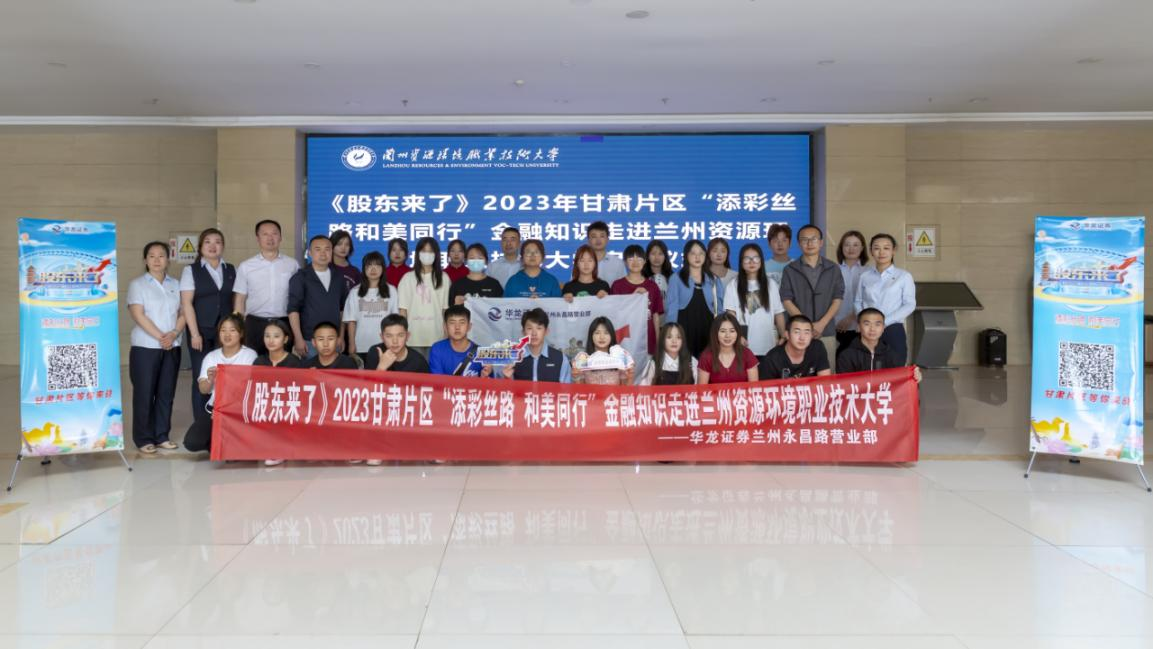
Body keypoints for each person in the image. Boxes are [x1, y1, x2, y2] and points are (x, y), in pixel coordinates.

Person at [127, 241, 185, 454]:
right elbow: (138, 314)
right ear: (145, 260)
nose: (157, 260)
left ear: (168, 259)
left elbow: (183, 312)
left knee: (166, 394)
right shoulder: (137, 285)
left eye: (161, 255)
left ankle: (162, 435)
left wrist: (174, 334)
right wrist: (162, 337)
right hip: (145, 347)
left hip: (172, 346)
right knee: (144, 394)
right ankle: (143, 438)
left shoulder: (176, 284)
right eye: (152, 256)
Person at [180, 228, 236, 420]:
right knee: (203, 375)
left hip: (226, 333)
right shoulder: (191, 270)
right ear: (200, 247)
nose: (213, 246)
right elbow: (187, 303)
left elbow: (236, 300)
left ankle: (221, 419)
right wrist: (195, 334)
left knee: (226, 374)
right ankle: (201, 423)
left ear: (223, 246)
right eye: (208, 242)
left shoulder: (231, 269)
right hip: (201, 332)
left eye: (217, 242)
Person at [183, 314, 257, 453]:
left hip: (240, 411)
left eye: (232, 330)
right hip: (216, 410)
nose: (227, 334)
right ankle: (221, 444)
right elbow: (203, 389)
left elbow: (250, 388)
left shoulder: (250, 355)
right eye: (223, 330)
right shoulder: (211, 356)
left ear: (241, 333)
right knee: (191, 442)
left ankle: (229, 444)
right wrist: (210, 379)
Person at [234, 219, 300, 356]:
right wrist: (239, 327)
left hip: (283, 323)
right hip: (254, 324)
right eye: (265, 234)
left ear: (280, 237)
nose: (270, 238)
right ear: (257, 238)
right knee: (254, 362)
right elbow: (240, 299)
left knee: (282, 363)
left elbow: (298, 298)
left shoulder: (292, 265)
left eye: (274, 234)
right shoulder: (246, 266)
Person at [779, 224, 844, 364]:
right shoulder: (790, 270)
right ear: (798, 244)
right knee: (800, 372)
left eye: (813, 239)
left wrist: (821, 324)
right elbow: (786, 300)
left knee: (827, 372)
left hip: (825, 331)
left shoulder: (833, 268)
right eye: (804, 240)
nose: (809, 243)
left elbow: (837, 298)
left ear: (821, 242)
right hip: (798, 334)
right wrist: (806, 326)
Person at [854, 233, 916, 364]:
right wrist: (864, 321)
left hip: (892, 329)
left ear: (894, 250)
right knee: (867, 366)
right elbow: (858, 301)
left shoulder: (903, 276)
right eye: (876, 248)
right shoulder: (865, 276)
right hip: (868, 330)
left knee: (895, 367)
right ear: (871, 251)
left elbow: (909, 304)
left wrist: (883, 322)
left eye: (886, 248)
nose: (881, 252)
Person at [288, 235, 349, 359]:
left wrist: (341, 336)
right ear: (310, 253)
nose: (323, 253)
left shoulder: (338, 277)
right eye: (318, 249)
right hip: (309, 341)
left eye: (327, 249)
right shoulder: (300, 277)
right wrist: (298, 338)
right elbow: (293, 310)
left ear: (332, 252)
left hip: (334, 340)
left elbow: (343, 309)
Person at [252, 319, 302, 467]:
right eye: (267, 336)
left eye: (276, 336)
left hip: (287, 409)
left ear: (285, 339)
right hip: (265, 408)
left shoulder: (294, 362)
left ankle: (279, 449)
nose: (271, 340)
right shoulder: (259, 362)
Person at [724, 242, 786, 359]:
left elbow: (778, 313)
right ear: (741, 262)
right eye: (747, 259)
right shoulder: (733, 285)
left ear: (761, 261)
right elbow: (730, 315)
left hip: (768, 345)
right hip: (743, 345)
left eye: (756, 258)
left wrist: (783, 335)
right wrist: (736, 336)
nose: (752, 262)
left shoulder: (771, 284)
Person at [664, 239, 722, 358]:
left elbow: (719, 308)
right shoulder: (676, 278)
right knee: (685, 363)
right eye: (693, 253)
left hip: (708, 328)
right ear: (686, 256)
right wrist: (671, 333)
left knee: (707, 361)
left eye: (701, 253)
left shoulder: (714, 280)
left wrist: (720, 330)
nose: (697, 257)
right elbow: (672, 309)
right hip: (684, 328)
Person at [397, 236, 450, 358]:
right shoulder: (407, 278)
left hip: (437, 337)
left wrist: (446, 333)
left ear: (436, 254)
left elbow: (445, 310)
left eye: (430, 251)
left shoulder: (444, 278)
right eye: (424, 251)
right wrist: (402, 334)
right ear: (417, 254)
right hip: (412, 337)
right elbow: (403, 310)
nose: (427, 254)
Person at [837, 308, 922, 382]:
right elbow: (843, 385)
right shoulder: (846, 355)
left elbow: (900, 380)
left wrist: (914, 376)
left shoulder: (891, 355)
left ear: (883, 328)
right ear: (858, 327)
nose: (872, 329)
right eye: (867, 324)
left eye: (877, 324)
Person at [343, 251, 397, 365]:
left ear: (383, 269)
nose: (373, 269)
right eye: (369, 265)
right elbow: (351, 321)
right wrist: (351, 343)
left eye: (377, 265)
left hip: (385, 345)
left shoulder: (391, 290)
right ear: (363, 269)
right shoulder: (354, 292)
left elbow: (395, 321)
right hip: (361, 345)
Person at [611, 244, 664, 356]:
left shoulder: (652, 286)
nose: (635, 262)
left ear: (644, 261)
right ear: (625, 262)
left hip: (648, 339)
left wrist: (658, 341)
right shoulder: (617, 285)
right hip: (625, 339)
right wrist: (634, 298)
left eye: (639, 259)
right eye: (631, 259)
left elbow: (655, 316)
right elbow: (614, 314)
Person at [501, 308, 571, 383]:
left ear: (546, 331)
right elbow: (502, 387)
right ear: (523, 332)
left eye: (539, 328)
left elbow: (567, 388)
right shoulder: (513, 357)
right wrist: (506, 379)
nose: (534, 333)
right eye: (529, 328)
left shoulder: (560, 359)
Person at [759, 315, 832, 380]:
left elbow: (825, 382)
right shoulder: (772, 359)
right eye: (797, 332)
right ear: (787, 335)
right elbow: (765, 388)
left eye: (806, 332)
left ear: (811, 335)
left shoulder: (817, 348)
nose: (802, 338)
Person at [834, 230, 869, 359]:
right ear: (841, 247)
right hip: (836, 325)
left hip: (861, 326)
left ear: (862, 248)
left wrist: (852, 317)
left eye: (855, 245)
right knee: (839, 361)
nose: (851, 248)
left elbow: (870, 299)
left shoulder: (869, 271)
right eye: (847, 244)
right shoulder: (833, 270)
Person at [697, 312, 759, 384]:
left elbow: (754, 387)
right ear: (715, 333)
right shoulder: (706, 357)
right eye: (723, 331)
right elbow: (702, 389)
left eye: (732, 331)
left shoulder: (747, 354)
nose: (727, 335)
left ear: (737, 333)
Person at [572, 316, 635, 385]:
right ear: (591, 335)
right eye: (597, 333)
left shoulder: (620, 357)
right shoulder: (583, 358)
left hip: (613, 392)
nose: (602, 337)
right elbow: (580, 389)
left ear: (611, 335)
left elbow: (625, 389)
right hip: (590, 393)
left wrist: (630, 376)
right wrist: (576, 377)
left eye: (606, 333)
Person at [366, 314, 431, 373]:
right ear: (382, 337)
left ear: (407, 336)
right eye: (389, 336)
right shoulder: (375, 352)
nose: (395, 341)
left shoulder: (418, 362)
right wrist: (381, 368)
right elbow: (366, 382)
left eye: (400, 335)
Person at [428, 305, 481, 376]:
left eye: (462, 322)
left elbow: (489, 380)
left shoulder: (480, 352)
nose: (457, 327)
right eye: (452, 323)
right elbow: (437, 380)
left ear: (469, 326)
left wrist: (485, 376)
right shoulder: (437, 349)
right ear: (445, 327)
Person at [328, 229, 362, 296]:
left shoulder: (355, 272)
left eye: (347, 244)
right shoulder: (325, 268)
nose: (343, 247)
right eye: (339, 244)